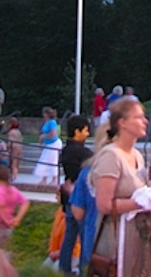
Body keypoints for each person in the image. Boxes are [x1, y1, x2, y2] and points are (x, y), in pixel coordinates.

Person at [89, 97, 151, 277]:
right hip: (117, 242)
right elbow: (104, 205)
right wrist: (138, 203)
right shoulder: (111, 156)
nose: (145, 121)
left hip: (139, 239)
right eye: (138, 117)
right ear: (123, 123)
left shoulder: (137, 155)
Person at [59, 116, 93, 274]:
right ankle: (84, 270)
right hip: (81, 201)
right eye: (85, 130)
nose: (87, 134)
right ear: (77, 131)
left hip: (68, 199)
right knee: (85, 237)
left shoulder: (65, 150)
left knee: (69, 238)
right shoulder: (84, 153)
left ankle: (63, 270)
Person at [0, 165, 29, 244]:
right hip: (10, 224)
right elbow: (25, 203)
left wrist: (5, 220)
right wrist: (17, 218)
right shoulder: (13, 190)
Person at [69, 164, 99, 275]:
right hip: (128, 240)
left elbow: (78, 213)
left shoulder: (87, 173)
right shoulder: (134, 168)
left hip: (95, 240)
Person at [36, 107, 62, 186]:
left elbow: (53, 134)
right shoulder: (46, 122)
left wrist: (44, 136)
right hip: (48, 144)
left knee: (52, 161)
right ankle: (44, 179)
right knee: (45, 160)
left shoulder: (52, 122)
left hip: (54, 143)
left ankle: (54, 179)